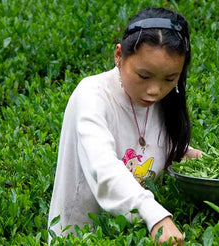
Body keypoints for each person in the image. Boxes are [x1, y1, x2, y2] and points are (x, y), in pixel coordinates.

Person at [47, 7, 203, 245]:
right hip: (80, 237)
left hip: (136, 237)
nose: (155, 90)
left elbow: (156, 143)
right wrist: (155, 216)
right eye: (143, 76)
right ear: (119, 55)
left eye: (170, 79)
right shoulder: (93, 95)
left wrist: (186, 154)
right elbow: (104, 169)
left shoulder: (165, 103)